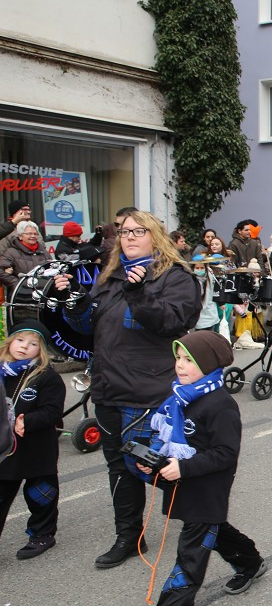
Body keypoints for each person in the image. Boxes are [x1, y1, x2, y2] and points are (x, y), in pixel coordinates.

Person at [55, 210, 201, 568]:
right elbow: (91, 330)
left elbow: (174, 323)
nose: (129, 237)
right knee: (119, 467)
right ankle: (129, 537)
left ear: (156, 235)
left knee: (150, 466)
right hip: (107, 387)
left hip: (147, 389)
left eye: (138, 231)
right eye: (123, 232)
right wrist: (72, 303)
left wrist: (139, 294)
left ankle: (207, 518)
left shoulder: (174, 276)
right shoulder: (111, 275)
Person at [135, 331, 266, 606]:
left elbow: (225, 453)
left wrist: (184, 468)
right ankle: (250, 563)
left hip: (208, 484)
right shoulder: (181, 396)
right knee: (212, 527)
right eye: (178, 357)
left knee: (192, 550)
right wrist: (153, 462)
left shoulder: (221, 405)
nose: (179, 365)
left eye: (188, 360)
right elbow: (175, 443)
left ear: (208, 364)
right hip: (187, 480)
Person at [0, 321, 66, 559]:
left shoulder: (45, 377)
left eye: (33, 344)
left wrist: (28, 420)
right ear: (10, 341)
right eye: (20, 340)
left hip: (35, 446)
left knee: (41, 494)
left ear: (41, 350)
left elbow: (52, 411)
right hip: (3, 447)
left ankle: (42, 534)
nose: (24, 347)